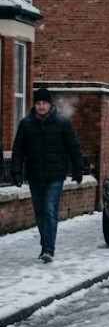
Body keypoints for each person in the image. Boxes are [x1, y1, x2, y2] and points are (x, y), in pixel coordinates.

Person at [11, 87, 85, 263]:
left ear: (50, 105)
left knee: (49, 209)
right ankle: (46, 243)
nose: (41, 106)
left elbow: (74, 148)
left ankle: (48, 249)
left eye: (44, 103)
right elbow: (18, 149)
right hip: (35, 175)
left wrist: (78, 170)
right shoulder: (26, 124)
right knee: (39, 212)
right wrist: (16, 171)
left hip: (55, 175)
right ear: (34, 105)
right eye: (38, 103)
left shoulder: (62, 123)